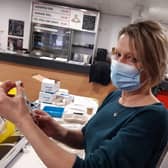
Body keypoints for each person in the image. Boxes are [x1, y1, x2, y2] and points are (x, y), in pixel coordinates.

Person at [0, 20, 168, 168]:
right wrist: (59, 131)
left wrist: (22, 120)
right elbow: (86, 137)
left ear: (153, 66)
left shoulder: (152, 118)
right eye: (118, 54)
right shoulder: (116, 96)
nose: (119, 63)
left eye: (132, 58)